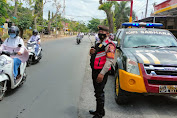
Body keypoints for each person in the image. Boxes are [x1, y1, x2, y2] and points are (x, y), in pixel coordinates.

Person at [89, 25, 116, 118]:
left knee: (100, 92)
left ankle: (100, 114)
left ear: (107, 34)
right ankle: (99, 110)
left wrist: (102, 74)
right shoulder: (99, 42)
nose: (100, 33)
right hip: (95, 70)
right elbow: (96, 53)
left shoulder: (110, 45)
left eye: (102, 32)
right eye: (99, 32)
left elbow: (110, 61)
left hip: (101, 72)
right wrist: (92, 51)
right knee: (97, 92)